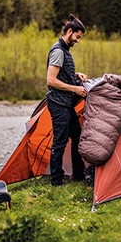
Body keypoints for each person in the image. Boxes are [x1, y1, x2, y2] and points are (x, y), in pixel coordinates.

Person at [46, 14, 87, 186]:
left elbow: (61, 74)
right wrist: (75, 88)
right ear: (69, 32)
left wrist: (76, 76)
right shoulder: (58, 51)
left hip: (66, 104)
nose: (78, 40)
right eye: (77, 36)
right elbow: (51, 80)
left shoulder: (65, 51)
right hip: (58, 103)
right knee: (60, 142)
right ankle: (56, 181)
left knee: (77, 137)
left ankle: (78, 175)